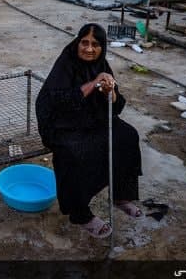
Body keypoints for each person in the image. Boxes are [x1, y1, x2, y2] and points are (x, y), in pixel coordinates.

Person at [35, 23, 142, 239]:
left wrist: (110, 92)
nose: (89, 49)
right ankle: (80, 213)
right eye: (84, 42)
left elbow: (117, 106)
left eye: (95, 44)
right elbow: (59, 102)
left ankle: (121, 196)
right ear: (77, 43)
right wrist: (93, 84)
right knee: (74, 153)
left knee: (127, 136)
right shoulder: (66, 64)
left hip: (91, 119)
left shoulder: (102, 65)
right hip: (59, 124)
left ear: (103, 47)